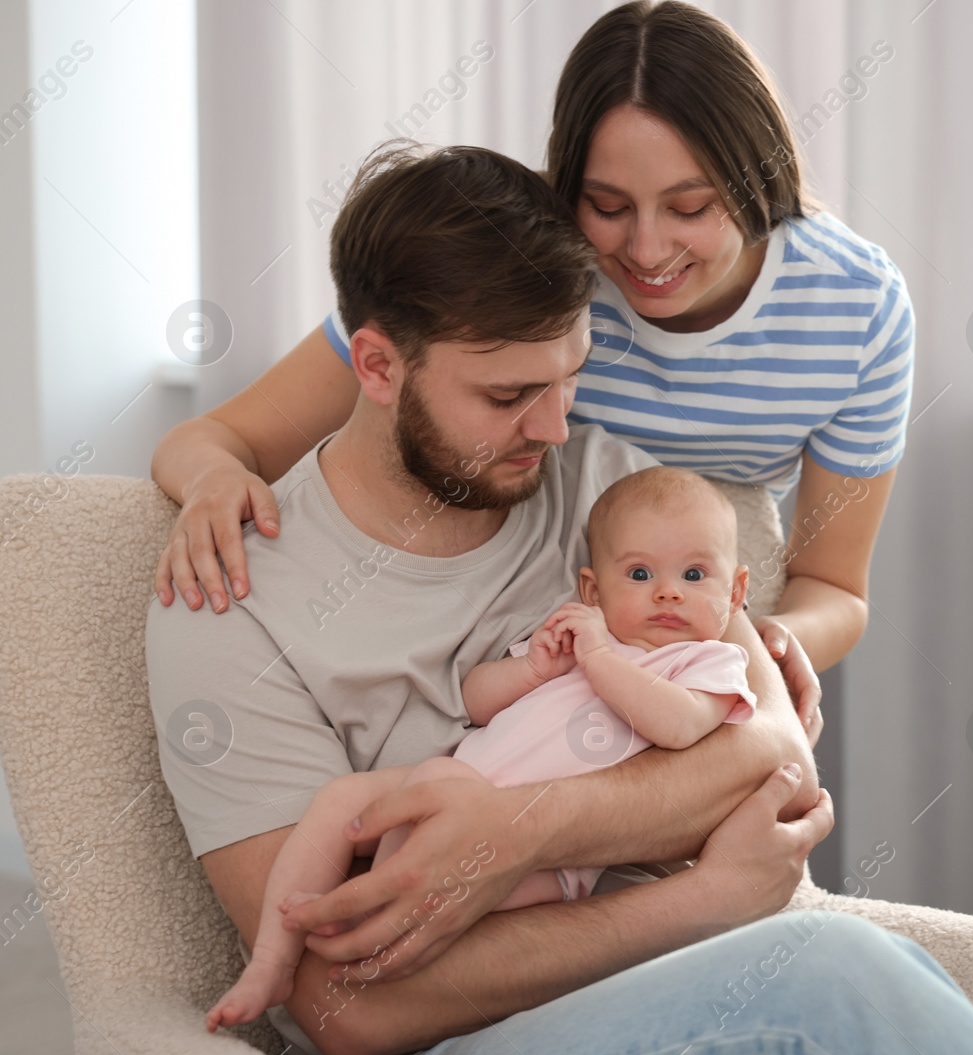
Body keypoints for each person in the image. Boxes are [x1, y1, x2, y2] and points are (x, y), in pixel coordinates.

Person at [147, 142, 973, 1055]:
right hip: (449, 1047)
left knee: (866, 981)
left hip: (673, 990)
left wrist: (520, 830)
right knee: (837, 980)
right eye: (509, 394)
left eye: (570, 375)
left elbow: (773, 756)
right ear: (375, 365)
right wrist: (703, 896)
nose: (553, 425)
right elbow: (346, 1010)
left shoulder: (603, 491)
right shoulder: (230, 602)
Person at [149, 0, 914, 732]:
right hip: (530, 639)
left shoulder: (856, 308)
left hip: (704, 641)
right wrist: (215, 479)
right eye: (607, 206)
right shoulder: (530, 263)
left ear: (758, 179)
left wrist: (756, 649)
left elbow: (835, 585)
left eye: (690, 208)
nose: (645, 253)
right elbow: (218, 437)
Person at [204, 466, 759, 1033]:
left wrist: (599, 660)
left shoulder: (708, 663)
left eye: (694, 574)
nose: (668, 592)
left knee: (436, 895)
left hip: (547, 858)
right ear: (593, 591)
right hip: (455, 776)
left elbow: (678, 726)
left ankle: (366, 937)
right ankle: (274, 958)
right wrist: (533, 669)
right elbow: (474, 702)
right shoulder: (580, 633)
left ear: (735, 593)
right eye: (640, 573)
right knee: (340, 799)